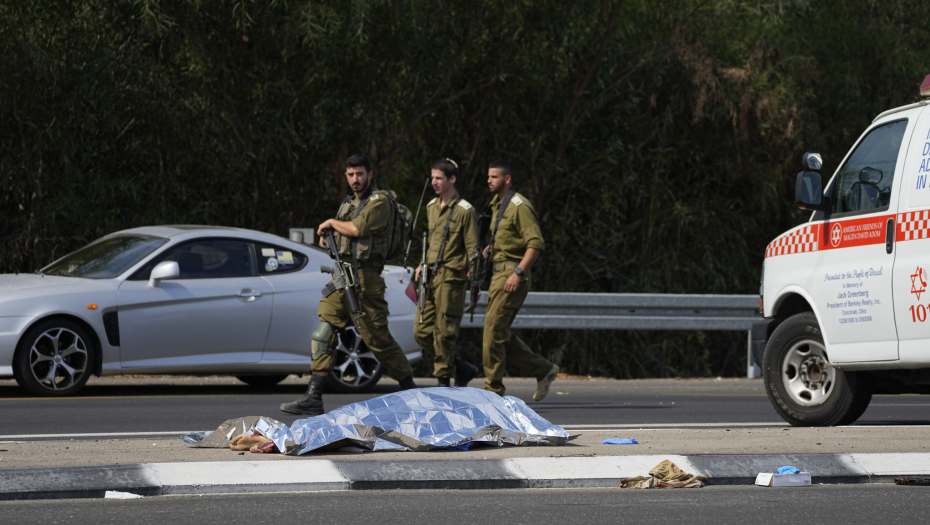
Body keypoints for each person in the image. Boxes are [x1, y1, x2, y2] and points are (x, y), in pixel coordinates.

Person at [280, 155, 416, 416]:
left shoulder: (380, 202)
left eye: (360, 174)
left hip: (366, 281)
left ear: (370, 175)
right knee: (323, 333)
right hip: (341, 278)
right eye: (351, 174)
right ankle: (313, 396)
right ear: (346, 175)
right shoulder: (348, 203)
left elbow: (356, 230)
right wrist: (327, 238)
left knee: (378, 340)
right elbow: (341, 238)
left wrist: (330, 223)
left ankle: (411, 391)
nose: (356, 179)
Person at [482, 159, 558, 400]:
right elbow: (508, 240)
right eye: (489, 176)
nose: (489, 181)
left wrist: (518, 272)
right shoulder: (498, 205)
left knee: (493, 332)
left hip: (511, 275)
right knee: (498, 332)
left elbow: (535, 244)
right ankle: (544, 369)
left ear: (507, 179)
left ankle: (493, 392)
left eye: (494, 177)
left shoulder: (518, 205)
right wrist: (490, 250)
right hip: (498, 274)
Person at [413, 159, 482, 387]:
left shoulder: (465, 211)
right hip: (430, 276)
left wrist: (475, 281)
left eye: (439, 178)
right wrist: (423, 264)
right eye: (432, 178)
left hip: (451, 278)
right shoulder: (432, 206)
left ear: (452, 179)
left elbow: (473, 249)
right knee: (422, 331)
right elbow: (433, 241)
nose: (434, 182)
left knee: (444, 332)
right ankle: (461, 367)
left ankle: (444, 383)